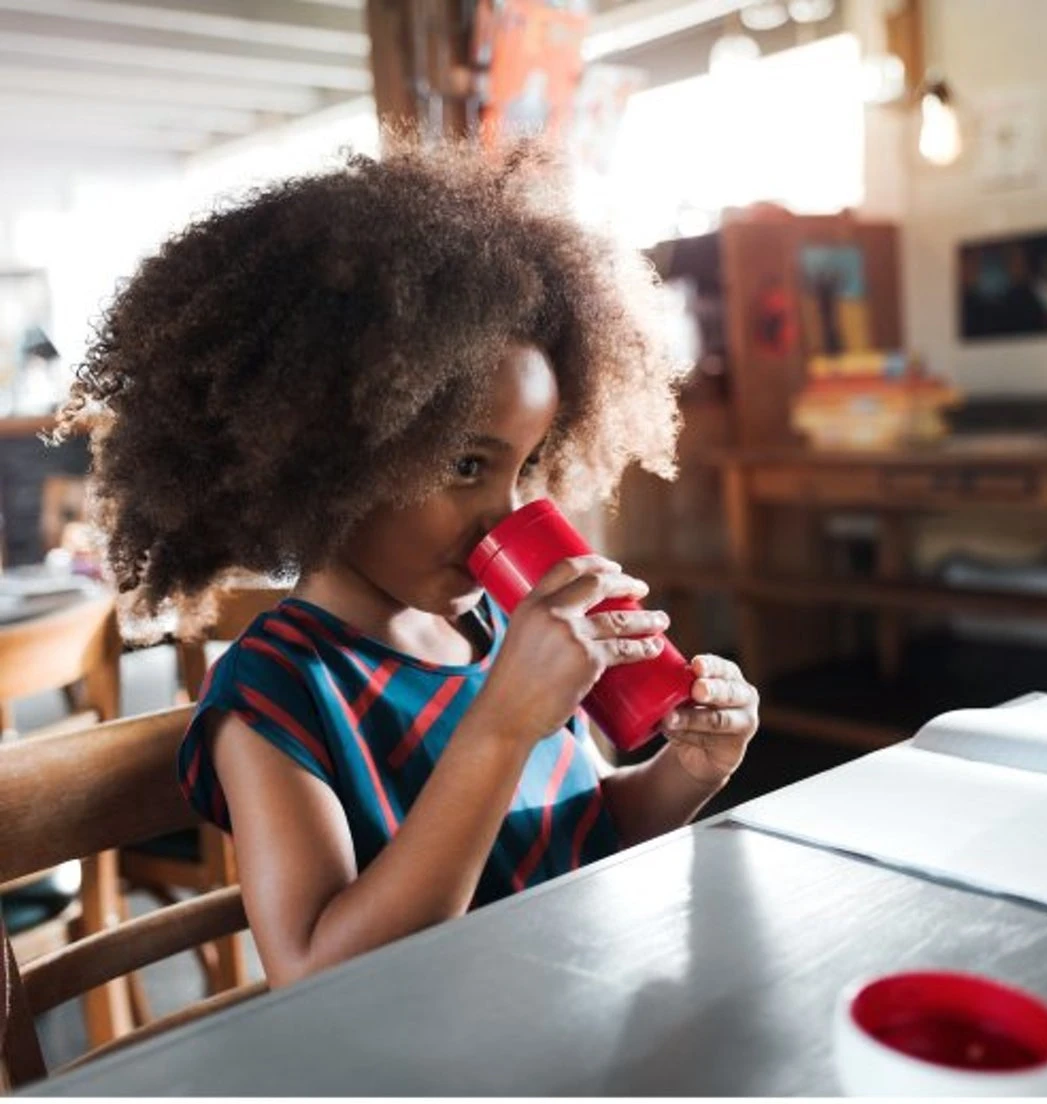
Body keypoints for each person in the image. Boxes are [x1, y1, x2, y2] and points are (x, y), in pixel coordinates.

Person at [58, 134, 759, 989]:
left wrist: (686, 769)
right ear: (333, 460)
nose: (509, 512)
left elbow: (576, 835)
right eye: (466, 465)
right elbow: (317, 972)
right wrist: (501, 726)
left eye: (527, 466)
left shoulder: (503, 631)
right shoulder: (277, 692)